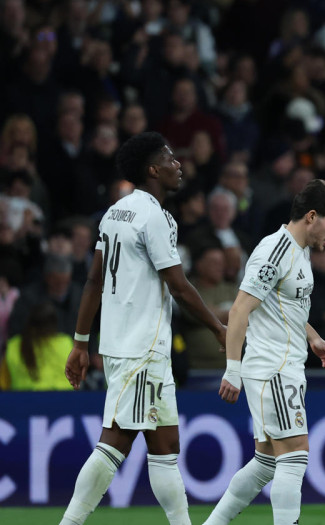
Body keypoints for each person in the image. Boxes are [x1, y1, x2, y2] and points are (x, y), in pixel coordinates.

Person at [61, 131, 227, 525]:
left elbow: (94, 281)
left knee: (166, 446)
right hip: (141, 349)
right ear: (153, 170)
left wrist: (81, 343)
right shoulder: (154, 216)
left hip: (134, 346)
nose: (178, 164)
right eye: (170, 159)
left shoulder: (115, 211)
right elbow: (180, 286)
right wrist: (219, 329)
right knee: (114, 443)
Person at [204, 179, 325, 525]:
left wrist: (312, 337)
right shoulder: (275, 251)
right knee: (296, 456)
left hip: (286, 365)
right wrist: (232, 369)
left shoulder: (299, 251)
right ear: (311, 216)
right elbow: (240, 310)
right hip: (272, 369)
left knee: (266, 463)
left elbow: (285, 308)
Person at [3, 301, 72, 390]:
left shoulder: (13, 345)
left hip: (21, 402)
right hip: (65, 401)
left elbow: (3, 384)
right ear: (54, 323)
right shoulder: (66, 343)